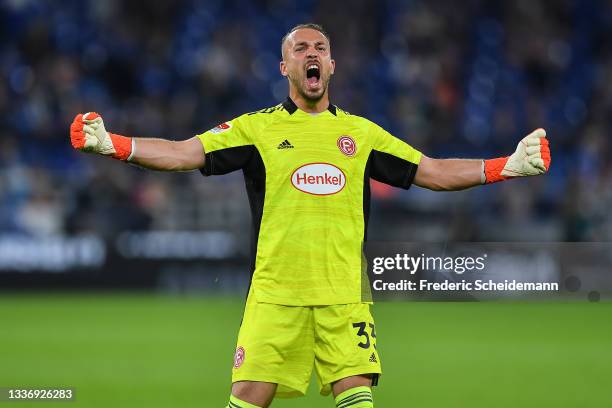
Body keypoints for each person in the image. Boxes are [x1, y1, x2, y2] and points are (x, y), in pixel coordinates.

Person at [70, 23, 551, 408]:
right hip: (276, 295)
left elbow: (432, 170)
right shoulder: (257, 128)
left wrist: (505, 166)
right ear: (285, 66)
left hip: (343, 294)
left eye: (319, 46)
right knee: (248, 397)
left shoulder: (361, 134)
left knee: (356, 396)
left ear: (332, 65)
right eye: (300, 48)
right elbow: (182, 152)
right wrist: (116, 145)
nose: (311, 53)